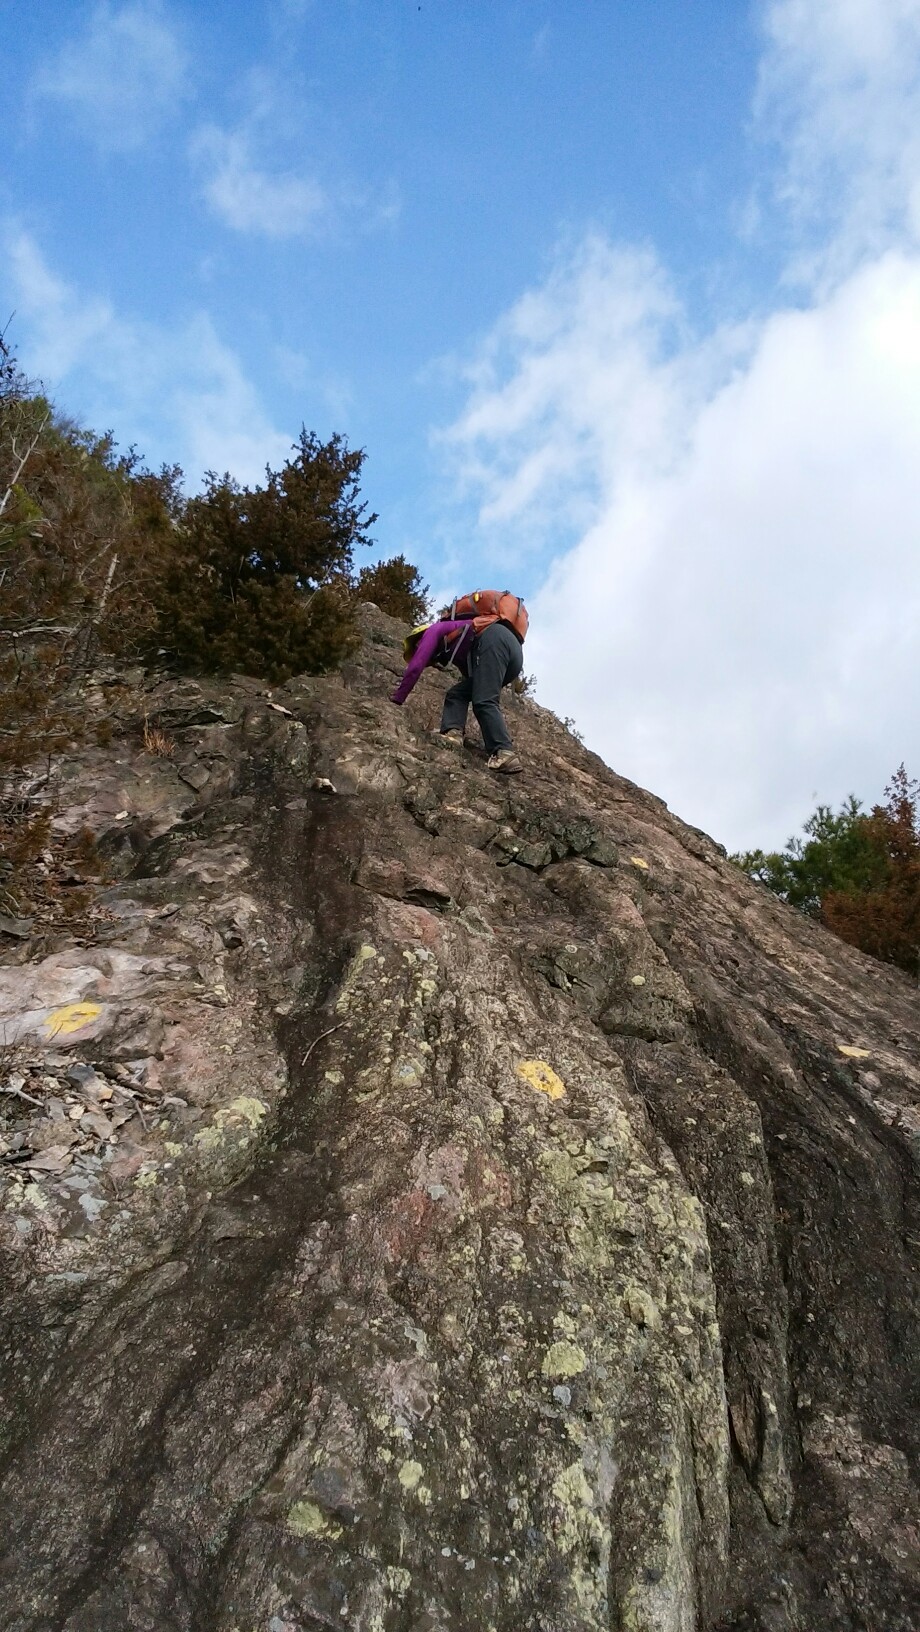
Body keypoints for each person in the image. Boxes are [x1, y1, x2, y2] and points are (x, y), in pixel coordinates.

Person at [390, 611, 524, 773]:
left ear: (419, 640)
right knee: (458, 693)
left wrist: (398, 698)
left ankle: (504, 752)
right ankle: (453, 733)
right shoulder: (454, 647)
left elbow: (415, 667)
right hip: (512, 654)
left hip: (494, 640)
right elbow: (473, 677)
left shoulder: (433, 631)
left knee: (484, 700)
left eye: (416, 649)